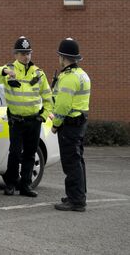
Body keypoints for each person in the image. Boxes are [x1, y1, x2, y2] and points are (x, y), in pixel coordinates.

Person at [0, 36, 53, 197]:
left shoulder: (39, 73)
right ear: (15, 54)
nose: (26, 56)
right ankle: (10, 184)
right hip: (16, 121)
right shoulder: (9, 70)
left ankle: (26, 186)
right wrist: (4, 71)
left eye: (28, 53)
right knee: (15, 153)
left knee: (30, 154)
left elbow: (48, 99)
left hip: (34, 120)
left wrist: (42, 116)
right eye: (23, 53)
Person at [51, 38, 90, 212]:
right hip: (80, 123)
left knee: (71, 163)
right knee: (78, 161)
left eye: (59, 56)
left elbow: (62, 106)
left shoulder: (68, 78)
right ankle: (78, 195)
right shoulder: (82, 75)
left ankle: (76, 201)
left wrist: (55, 124)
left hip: (69, 125)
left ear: (63, 57)